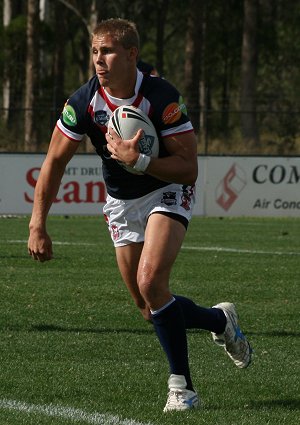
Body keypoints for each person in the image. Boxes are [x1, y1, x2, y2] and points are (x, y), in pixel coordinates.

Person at [28, 18, 252, 412]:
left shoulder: (161, 96)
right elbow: (53, 162)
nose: (100, 60)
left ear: (131, 54)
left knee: (151, 280)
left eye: (108, 51)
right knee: (149, 307)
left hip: (167, 189)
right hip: (121, 202)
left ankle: (182, 389)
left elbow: (188, 168)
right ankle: (221, 322)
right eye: (95, 52)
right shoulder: (83, 102)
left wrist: (141, 159)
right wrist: (37, 223)